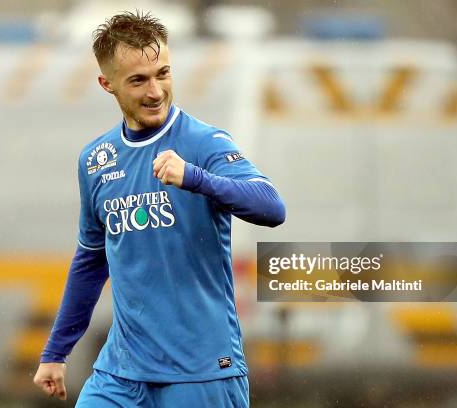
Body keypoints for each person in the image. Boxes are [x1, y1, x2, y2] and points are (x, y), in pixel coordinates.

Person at [33, 10, 285, 408]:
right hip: (121, 373)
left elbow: (271, 207)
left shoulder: (205, 143)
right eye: (138, 80)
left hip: (200, 370)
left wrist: (195, 178)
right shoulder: (96, 160)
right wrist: (55, 352)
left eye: (163, 74)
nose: (155, 91)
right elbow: (90, 260)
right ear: (107, 84)